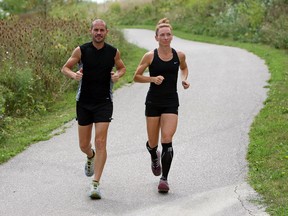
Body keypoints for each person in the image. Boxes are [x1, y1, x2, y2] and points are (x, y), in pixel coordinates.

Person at [61, 19, 126, 199]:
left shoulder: (113, 52)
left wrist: (117, 76)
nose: (98, 33)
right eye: (96, 30)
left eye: (102, 30)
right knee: (84, 144)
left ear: (106, 32)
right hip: (84, 102)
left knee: (101, 141)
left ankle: (95, 183)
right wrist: (73, 74)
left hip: (104, 102)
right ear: (91, 31)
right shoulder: (81, 50)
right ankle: (90, 156)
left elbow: (122, 68)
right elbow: (65, 68)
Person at [133, 18, 190, 193]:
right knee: (152, 142)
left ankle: (164, 179)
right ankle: (153, 155)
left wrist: (184, 79)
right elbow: (136, 76)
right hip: (153, 102)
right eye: (162, 35)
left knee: (167, 139)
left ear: (172, 36)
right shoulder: (150, 56)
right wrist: (152, 79)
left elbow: (184, 68)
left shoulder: (179, 55)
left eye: (168, 34)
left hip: (171, 101)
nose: (165, 37)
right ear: (156, 37)